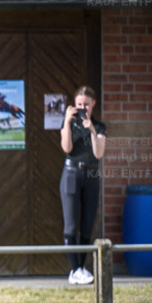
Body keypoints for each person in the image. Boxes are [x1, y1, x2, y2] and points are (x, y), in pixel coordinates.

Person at [60, 86, 107, 285]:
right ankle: (75, 270)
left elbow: (98, 154)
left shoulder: (99, 126)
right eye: (79, 105)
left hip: (91, 174)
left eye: (86, 104)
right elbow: (67, 148)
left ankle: (81, 267)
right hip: (71, 173)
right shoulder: (69, 125)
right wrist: (67, 121)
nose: (82, 108)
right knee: (71, 224)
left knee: (87, 224)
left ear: (93, 104)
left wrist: (92, 130)